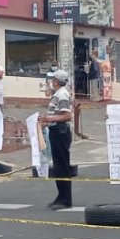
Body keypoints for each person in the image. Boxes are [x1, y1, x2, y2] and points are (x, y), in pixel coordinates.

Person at [38, 69, 74, 210]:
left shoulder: (62, 94)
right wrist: (46, 122)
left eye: (52, 79)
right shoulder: (58, 94)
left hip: (61, 131)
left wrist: (49, 119)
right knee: (58, 166)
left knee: (62, 166)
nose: (51, 82)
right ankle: (61, 196)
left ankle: (65, 199)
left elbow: (67, 116)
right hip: (55, 130)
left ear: (57, 81)